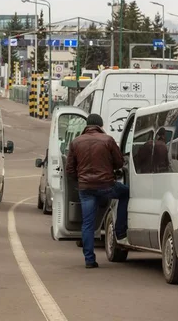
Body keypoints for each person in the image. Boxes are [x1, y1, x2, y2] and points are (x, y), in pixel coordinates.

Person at [66, 114, 129, 269]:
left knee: (88, 223)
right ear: (100, 125)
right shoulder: (107, 140)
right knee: (125, 193)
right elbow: (120, 162)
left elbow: (69, 170)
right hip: (106, 186)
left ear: (87, 126)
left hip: (86, 189)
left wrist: (80, 182)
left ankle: (89, 260)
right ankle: (120, 232)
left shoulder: (76, 142)